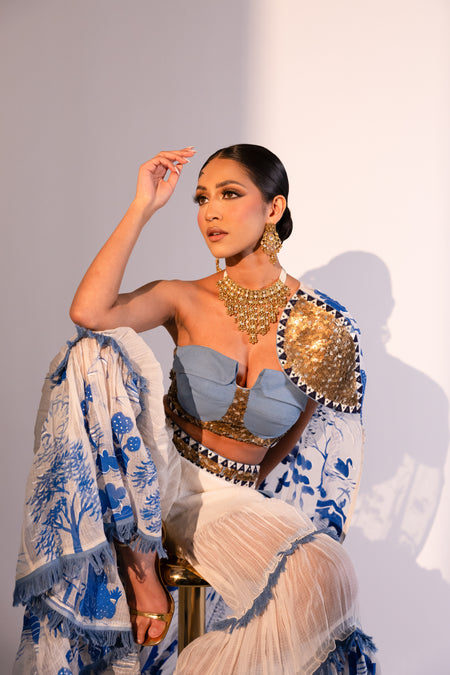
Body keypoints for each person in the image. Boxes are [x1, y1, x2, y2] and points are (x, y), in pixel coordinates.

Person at [14, 145, 377, 674]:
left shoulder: (322, 325)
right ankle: (140, 567)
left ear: (273, 208)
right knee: (92, 355)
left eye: (229, 195)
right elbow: (89, 311)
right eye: (202, 199)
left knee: (330, 576)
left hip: (239, 497)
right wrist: (142, 205)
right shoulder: (183, 297)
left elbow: (300, 436)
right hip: (161, 482)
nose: (210, 212)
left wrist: (248, 483)